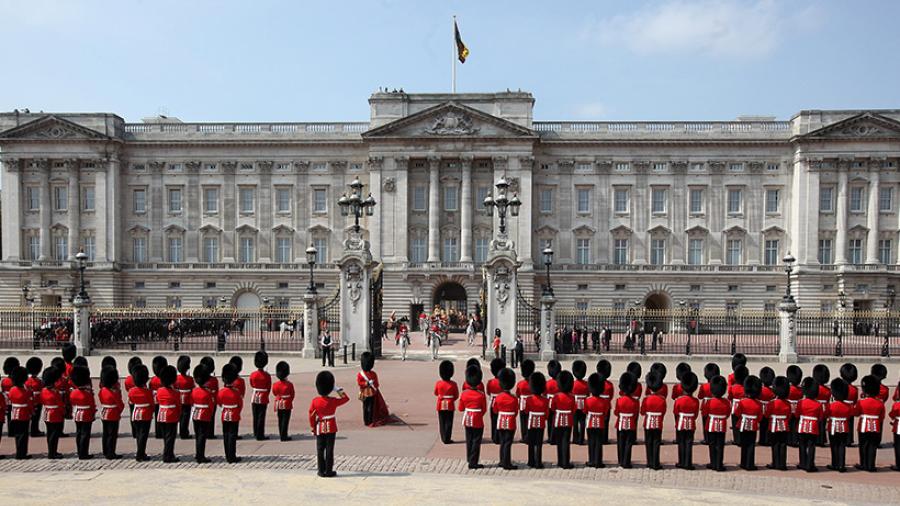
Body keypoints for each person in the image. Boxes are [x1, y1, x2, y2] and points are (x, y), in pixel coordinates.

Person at [309, 370, 350, 477]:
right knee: (329, 450)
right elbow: (346, 398)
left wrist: (313, 427)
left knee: (320, 449)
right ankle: (328, 470)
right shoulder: (332, 401)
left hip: (319, 427)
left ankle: (321, 470)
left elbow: (311, 415)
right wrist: (337, 389)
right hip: (331, 427)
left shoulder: (315, 401)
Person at [458, 365, 487, 469]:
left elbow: (461, 408)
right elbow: (484, 409)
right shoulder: (481, 395)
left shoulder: (464, 394)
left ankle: (469, 458)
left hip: (467, 418)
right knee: (476, 440)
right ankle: (473, 462)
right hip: (478, 418)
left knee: (469, 439)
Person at [856, 374, 885, 472]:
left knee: (863, 445)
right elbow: (882, 417)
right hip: (875, 426)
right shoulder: (880, 403)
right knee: (873, 446)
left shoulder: (861, 402)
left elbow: (856, 413)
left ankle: (863, 464)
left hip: (863, 426)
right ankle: (871, 465)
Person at [735, 375, 762, 470]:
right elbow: (759, 417)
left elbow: (737, 413)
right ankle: (750, 464)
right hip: (753, 426)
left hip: (743, 425)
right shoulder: (759, 404)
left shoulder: (742, 402)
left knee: (744, 445)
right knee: (751, 445)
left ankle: (743, 463)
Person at [673, 371, 700, 470]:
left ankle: (681, 462)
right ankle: (688, 463)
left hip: (680, 423)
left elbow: (675, 412)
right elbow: (696, 414)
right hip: (691, 424)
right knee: (689, 443)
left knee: (681, 442)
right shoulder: (696, 401)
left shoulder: (679, 400)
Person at [493, 368, 519, 470]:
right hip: (511, 421)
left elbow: (495, 410)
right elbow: (516, 411)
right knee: (508, 442)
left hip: (500, 421)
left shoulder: (498, 397)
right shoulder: (513, 398)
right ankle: (506, 463)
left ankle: (502, 460)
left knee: (503, 442)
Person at [218, 363, 244, 464]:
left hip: (224, 414)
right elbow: (239, 405)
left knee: (226, 435)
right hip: (234, 415)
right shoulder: (236, 392)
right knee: (232, 436)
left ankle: (227, 455)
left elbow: (219, 403)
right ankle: (232, 456)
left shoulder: (221, 392)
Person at [796, 377, 823, 472]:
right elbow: (820, 418)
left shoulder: (801, 403)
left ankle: (802, 463)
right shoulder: (818, 404)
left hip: (802, 425)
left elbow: (797, 415)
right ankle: (810, 464)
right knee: (811, 446)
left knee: (802, 445)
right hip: (814, 427)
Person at [128, 364, 154, 461]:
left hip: (135, 413)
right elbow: (151, 404)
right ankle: (140, 454)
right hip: (145, 414)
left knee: (139, 434)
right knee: (143, 435)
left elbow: (130, 402)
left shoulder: (131, 391)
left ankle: (140, 451)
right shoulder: (147, 392)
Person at [703, 376, 729, 471]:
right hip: (722, 425)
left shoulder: (709, 402)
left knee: (712, 444)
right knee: (720, 445)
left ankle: (713, 463)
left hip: (711, 425)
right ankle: (719, 464)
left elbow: (705, 413)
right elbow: (727, 413)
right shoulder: (726, 402)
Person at [357, 352, 391, 426]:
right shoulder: (372, 374)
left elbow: (361, 383)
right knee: (368, 407)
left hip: (368, 392)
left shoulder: (361, 374)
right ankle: (368, 421)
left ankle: (368, 420)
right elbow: (361, 383)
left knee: (367, 407)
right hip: (369, 392)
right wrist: (367, 383)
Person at [641, 371, 667, 470]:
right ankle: (656, 463)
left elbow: (642, 412)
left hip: (647, 422)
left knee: (648, 442)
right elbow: (663, 412)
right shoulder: (662, 399)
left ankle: (649, 462)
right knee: (656, 442)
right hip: (658, 423)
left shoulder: (646, 399)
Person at [156, 365, 182, 463]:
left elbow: (158, 401)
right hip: (171, 415)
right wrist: (178, 415)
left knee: (166, 437)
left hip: (161, 414)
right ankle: (168, 456)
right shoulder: (175, 393)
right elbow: (178, 406)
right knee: (170, 437)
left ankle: (169, 453)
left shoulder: (159, 391)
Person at [584, 373, 610, 468]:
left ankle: (591, 460)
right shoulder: (604, 401)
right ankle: (598, 461)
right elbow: (605, 412)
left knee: (591, 442)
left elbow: (585, 411)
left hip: (590, 423)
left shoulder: (587, 400)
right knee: (599, 442)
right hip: (600, 423)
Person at [826, 378, 852, 472]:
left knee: (834, 446)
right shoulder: (847, 406)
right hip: (844, 427)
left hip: (833, 426)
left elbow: (826, 414)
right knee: (842, 446)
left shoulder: (831, 405)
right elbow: (849, 416)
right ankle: (841, 465)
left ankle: (835, 464)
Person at [98, 366, 124, 460]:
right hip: (113, 414)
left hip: (104, 412)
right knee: (112, 435)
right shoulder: (113, 393)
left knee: (105, 433)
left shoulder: (102, 391)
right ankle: (110, 453)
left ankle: (105, 450)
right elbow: (120, 405)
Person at [69, 365, 95, 460]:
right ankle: (84, 453)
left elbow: (72, 402)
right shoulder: (87, 393)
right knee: (85, 434)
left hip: (77, 413)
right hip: (86, 414)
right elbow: (92, 405)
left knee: (79, 433)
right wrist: (93, 413)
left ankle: (79, 451)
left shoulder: (73, 392)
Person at [767, 376, 792, 470]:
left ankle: (775, 463)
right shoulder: (788, 404)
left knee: (775, 445)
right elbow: (789, 416)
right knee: (783, 445)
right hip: (784, 426)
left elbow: (767, 414)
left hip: (773, 426)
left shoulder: (771, 403)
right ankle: (782, 464)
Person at [524, 372, 548, 469]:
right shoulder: (545, 400)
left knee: (531, 442)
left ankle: (531, 461)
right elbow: (547, 414)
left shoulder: (529, 399)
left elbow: (526, 411)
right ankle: (538, 462)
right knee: (539, 443)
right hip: (541, 423)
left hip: (531, 422)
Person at [614, 372, 639, 468]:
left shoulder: (619, 400)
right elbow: (636, 414)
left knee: (620, 442)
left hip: (620, 424)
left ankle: (620, 460)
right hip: (631, 424)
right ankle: (626, 462)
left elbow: (616, 413)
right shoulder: (635, 402)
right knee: (628, 443)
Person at [8, 365, 32, 459]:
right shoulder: (25, 391)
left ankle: (19, 452)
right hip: (24, 414)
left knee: (18, 434)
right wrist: (31, 412)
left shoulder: (12, 390)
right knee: (23, 434)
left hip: (14, 413)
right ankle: (22, 454)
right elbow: (29, 403)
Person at [190, 364, 214, 463]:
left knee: (197, 435)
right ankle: (201, 456)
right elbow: (211, 406)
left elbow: (191, 402)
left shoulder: (194, 391)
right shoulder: (208, 392)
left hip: (195, 414)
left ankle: (198, 454)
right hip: (204, 415)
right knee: (202, 436)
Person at [40, 366, 64, 459]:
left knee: (50, 434)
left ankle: (51, 451)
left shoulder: (43, 390)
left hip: (46, 413)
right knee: (54, 435)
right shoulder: (55, 392)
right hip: (55, 415)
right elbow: (60, 404)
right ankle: (52, 453)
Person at [434, 360, 459, 445]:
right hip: (450, 404)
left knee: (442, 421)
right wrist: (451, 399)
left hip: (440, 404)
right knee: (449, 422)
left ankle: (443, 437)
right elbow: (456, 395)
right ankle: (447, 438)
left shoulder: (438, 383)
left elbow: (436, 393)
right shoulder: (453, 384)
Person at [249, 351, 272, 441]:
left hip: (255, 395)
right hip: (263, 397)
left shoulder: (253, 374)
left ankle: (255, 432)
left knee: (255, 415)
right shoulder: (267, 375)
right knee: (261, 416)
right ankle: (260, 434)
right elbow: (268, 387)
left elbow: (251, 384)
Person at [272, 361, 295, 442]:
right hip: (287, 403)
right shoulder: (289, 384)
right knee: (285, 420)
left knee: (280, 419)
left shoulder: (275, 384)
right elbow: (292, 395)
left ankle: (281, 434)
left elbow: (274, 393)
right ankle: (284, 435)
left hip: (278, 403)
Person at [699, 362, 720, 445]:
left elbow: (700, 396)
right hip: (715, 404)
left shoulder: (704, 386)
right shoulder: (717, 384)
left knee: (705, 422)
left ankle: (707, 439)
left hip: (706, 404)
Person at [839, 363, 859, 447]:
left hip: (841, 407)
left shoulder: (840, 387)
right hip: (850, 408)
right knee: (849, 424)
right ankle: (849, 440)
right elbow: (855, 400)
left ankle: (841, 438)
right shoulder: (854, 389)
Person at [175, 356, 194, 440]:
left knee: (180, 416)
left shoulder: (176, 378)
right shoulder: (190, 379)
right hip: (187, 400)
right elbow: (192, 389)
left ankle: (180, 431)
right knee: (185, 417)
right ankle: (184, 432)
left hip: (178, 399)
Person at [486, 358, 505, 445]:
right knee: (501, 420)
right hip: (502, 403)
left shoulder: (490, 382)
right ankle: (500, 437)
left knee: (494, 420)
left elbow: (488, 392)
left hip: (493, 403)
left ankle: (494, 436)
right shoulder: (503, 381)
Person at [728, 365, 748, 445]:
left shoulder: (734, 387)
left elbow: (730, 396)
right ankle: (743, 439)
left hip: (735, 406)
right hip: (745, 406)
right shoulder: (745, 387)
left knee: (735, 423)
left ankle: (736, 439)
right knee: (743, 422)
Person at [813, 364, 832, 447]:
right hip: (825, 407)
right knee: (823, 424)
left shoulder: (815, 388)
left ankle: (817, 439)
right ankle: (822, 439)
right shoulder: (827, 390)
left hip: (816, 406)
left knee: (817, 424)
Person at [516, 360, 535, 443]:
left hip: (523, 404)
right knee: (530, 420)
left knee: (523, 421)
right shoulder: (533, 382)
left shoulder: (520, 383)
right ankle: (530, 436)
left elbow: (517, 394)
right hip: (532, 403)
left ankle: (524, 436)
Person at [149, 355, 168, 439]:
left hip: (155, 400)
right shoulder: (164, 379)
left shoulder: (153, 380)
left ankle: (158, 432)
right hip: (164, 400)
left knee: (157, 416)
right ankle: (163, 432)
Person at [25, 357, 44, 437]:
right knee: (36, 417)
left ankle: (31, 430)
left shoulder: (27, 380)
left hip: (29, 400)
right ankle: (34, 430)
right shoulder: (38, 381)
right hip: (37, 400)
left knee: (30, 416)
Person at [571, 360, 589, 446]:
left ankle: (575, 437)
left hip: (575, 403)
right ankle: (581, 438)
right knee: (582, 421)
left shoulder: (573, 384)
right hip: (584, 403)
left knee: (575, 421)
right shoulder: (586, 384)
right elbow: (588, 394)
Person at [596, 360, 614, 444]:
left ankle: (598, 438)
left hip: (597, 404)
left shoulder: (597, 383)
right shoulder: (609, 385)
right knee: (605, 423)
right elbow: (611, 396)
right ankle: (604, 439)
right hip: (606, 404)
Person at [200, 356, 218, 439]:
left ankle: (204, 432)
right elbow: (216, 391)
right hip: (212, 401)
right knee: (211, 417)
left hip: (202, 401)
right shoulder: (214, 380)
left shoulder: (201, 379)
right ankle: (210, 433)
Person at [3, 357, 21, 438]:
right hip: (14, 400)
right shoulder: (14, 381)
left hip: (6, 400)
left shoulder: (4, 380)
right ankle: (13, 431)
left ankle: (10, 431)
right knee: (14, 416)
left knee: (9, 416)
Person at [757, 367, 776, 447]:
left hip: (761, 408)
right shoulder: (772, 391)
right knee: (768, 425)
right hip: (769, 408)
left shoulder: (761, 390)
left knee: (762, 426)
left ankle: (762, 440)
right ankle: (767, 440)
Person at [545, 360, 561, 444]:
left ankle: (550, 437)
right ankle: (556, 437)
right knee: (557, 421)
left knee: (550, 421)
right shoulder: (560, 382)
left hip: (549, 402)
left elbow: (544, 393)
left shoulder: (548, 383)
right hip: (559, 402)